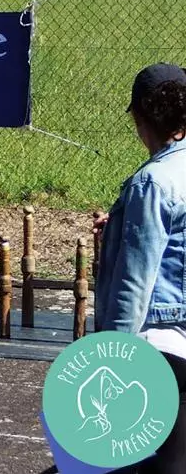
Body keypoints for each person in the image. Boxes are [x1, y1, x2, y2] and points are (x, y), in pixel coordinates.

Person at [95, 63, 186, 473]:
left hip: (160, 347)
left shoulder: (152, 182)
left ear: (140, 117)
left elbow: (133, 283)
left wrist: (110, 356)